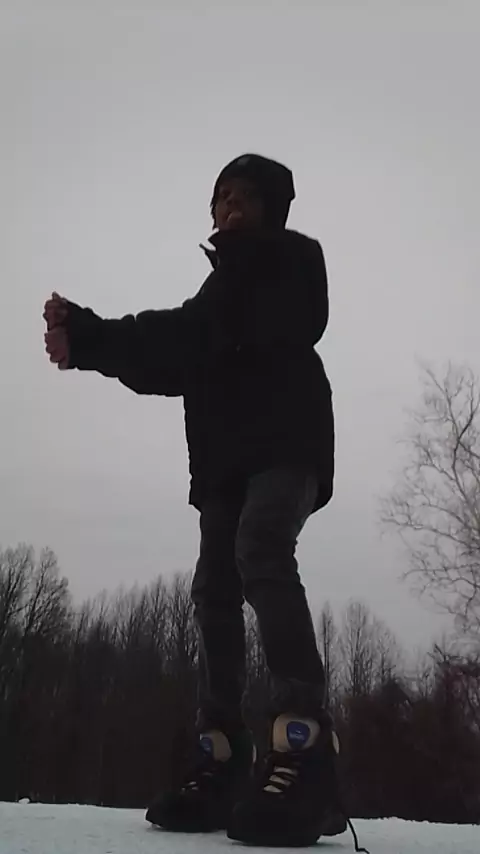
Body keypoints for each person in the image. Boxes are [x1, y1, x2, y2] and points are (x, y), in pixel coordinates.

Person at [43, 154, 345, 848]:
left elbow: (194, 333)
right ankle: (223, 753)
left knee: (261, 550)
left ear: (271, 209)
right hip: (225, 466)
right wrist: (89, 343)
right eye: (218, 199)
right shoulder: (223, 291)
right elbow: (171, 355)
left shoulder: (287, 265)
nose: (227, 208)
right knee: (213, 587)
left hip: (285, 444)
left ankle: (304, 745)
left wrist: (93, 334)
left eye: (242, 197)